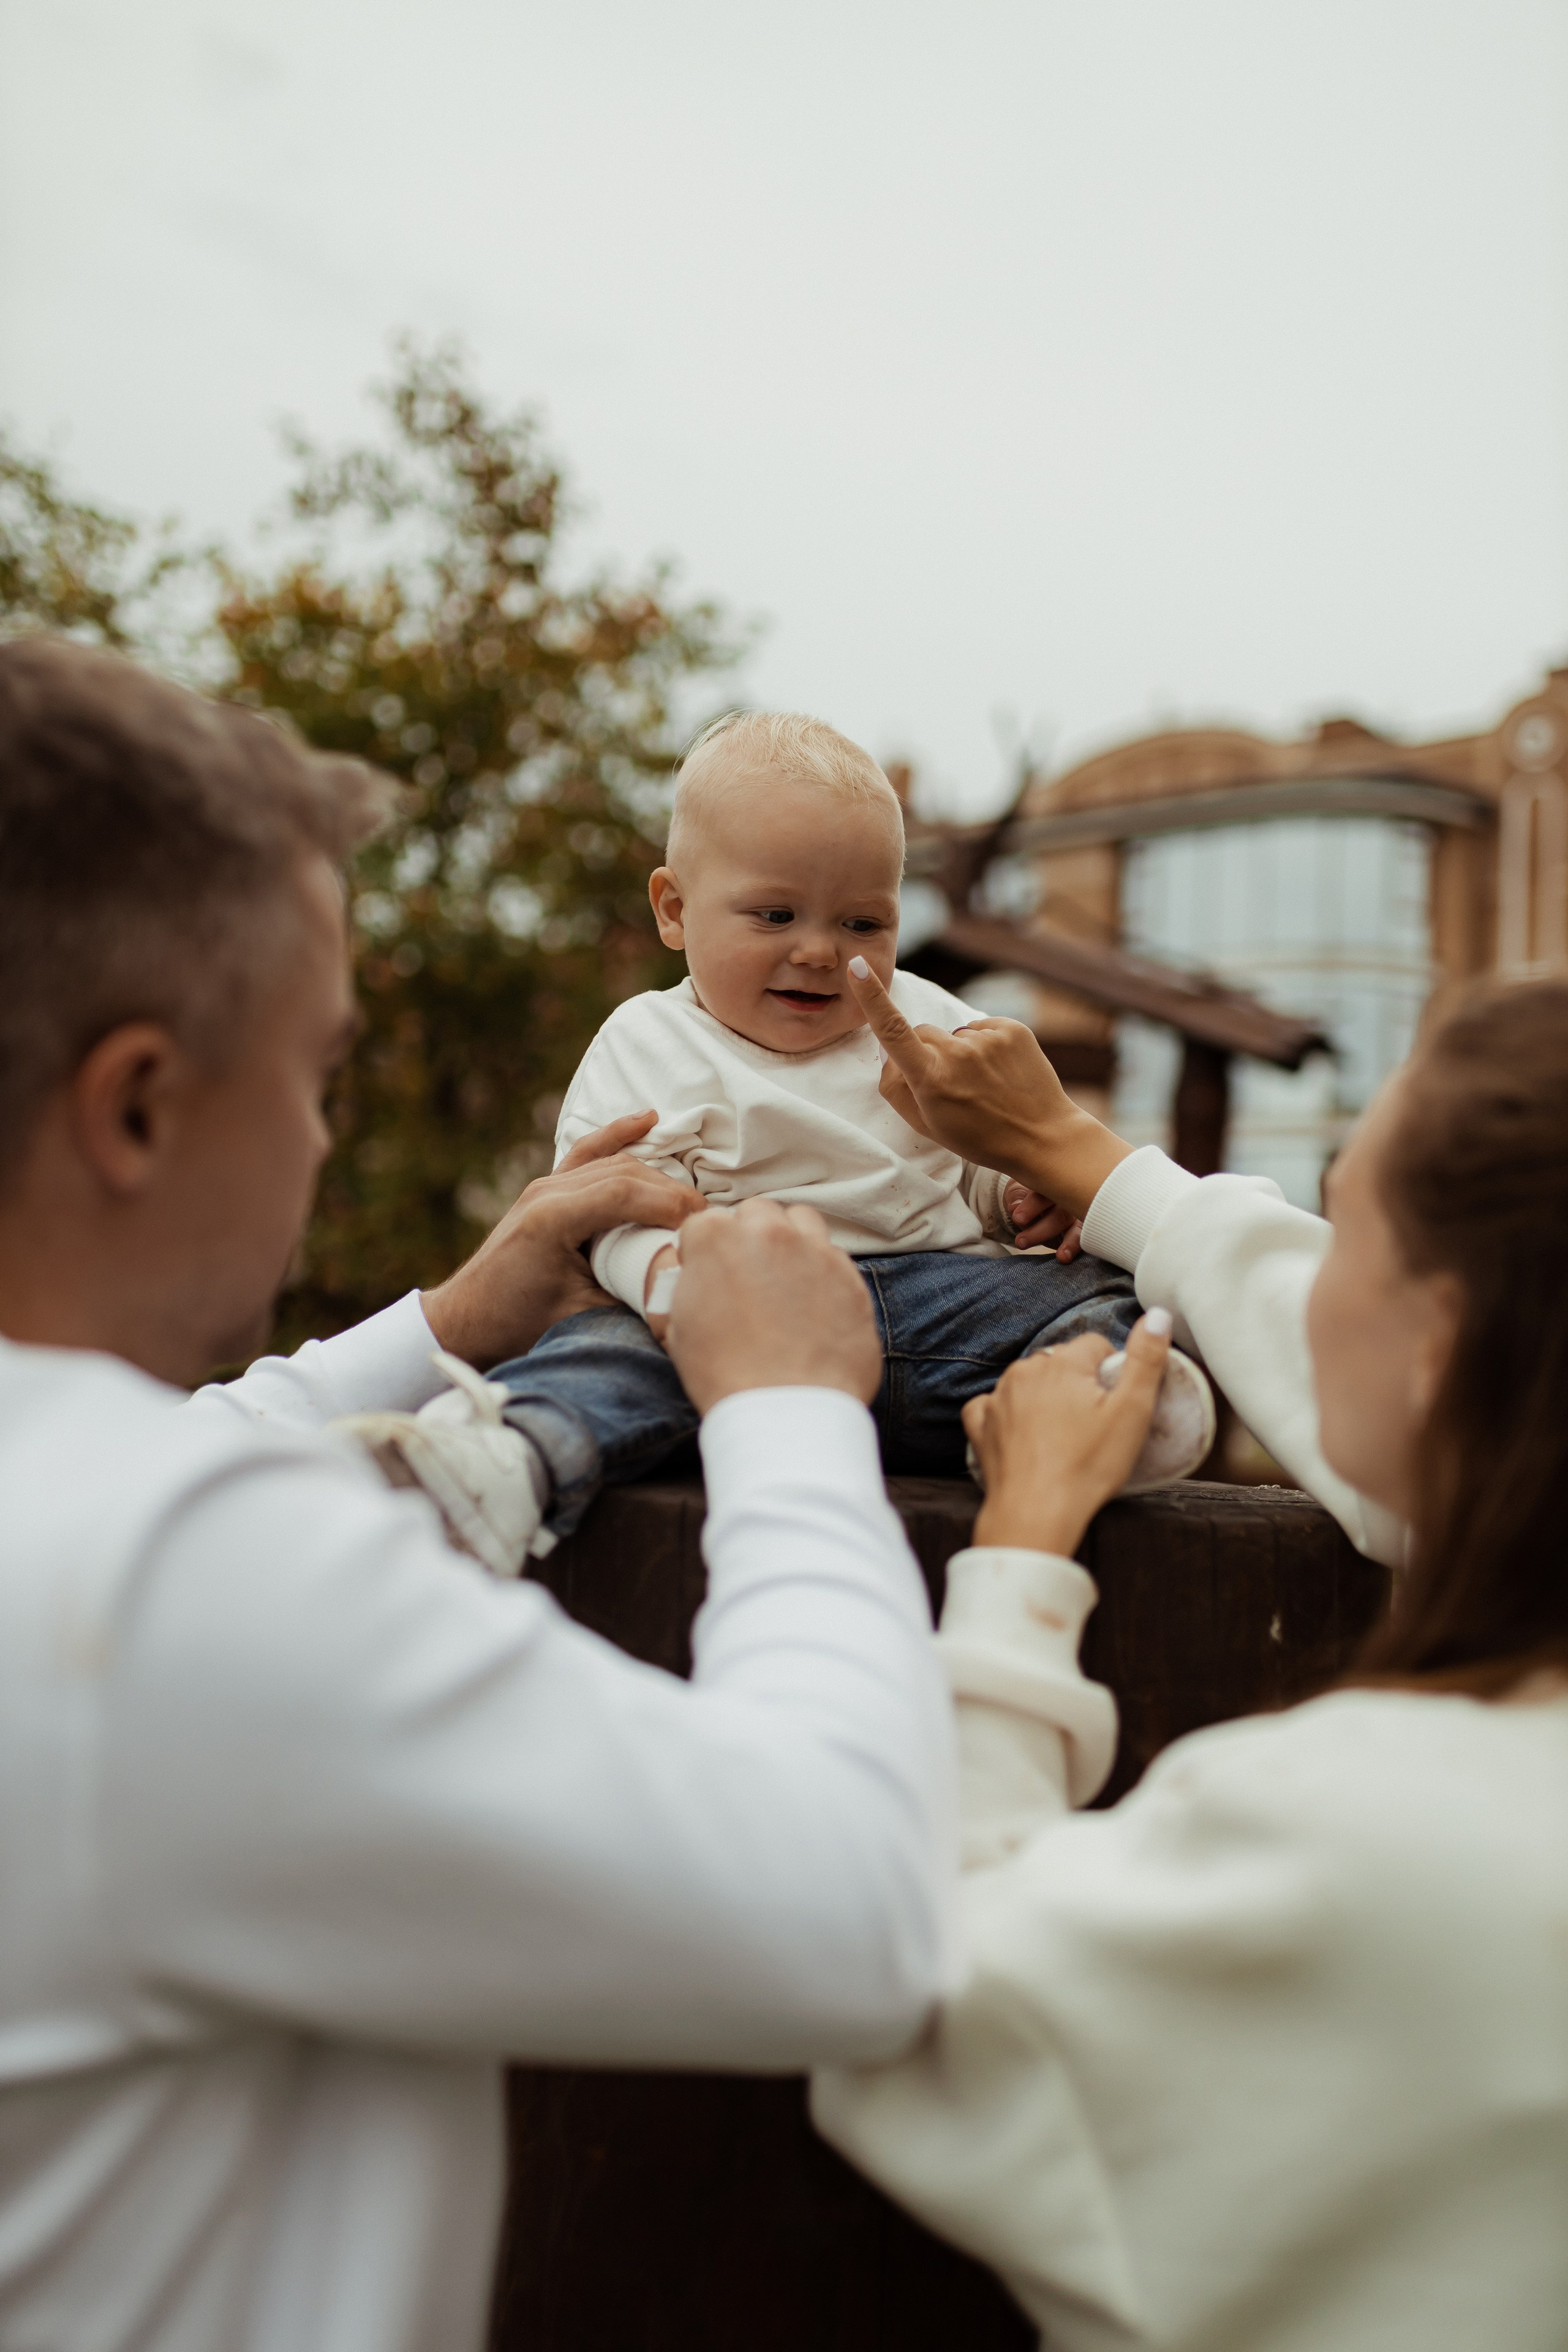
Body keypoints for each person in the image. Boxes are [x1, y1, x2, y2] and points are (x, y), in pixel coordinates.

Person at [0, 638, 963, 2352]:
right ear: (139, 1106)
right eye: (315, 1075)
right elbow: (849, 1915)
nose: (317, 1141)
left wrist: (456, 1318)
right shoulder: (173, 1584)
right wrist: (793, 1410)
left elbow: (222, 1434)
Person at [809, 963, 1568, 2351]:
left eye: (1338, 1226)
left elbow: (927, 2001)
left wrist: (1022, 1555)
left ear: (1434, 1349)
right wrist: (1078, 1159)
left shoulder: (1345, 1838)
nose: (1310, 1269)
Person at [342, 711, 1212, 1568]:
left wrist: (1019, 1195)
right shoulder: (649, 1040)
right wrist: (663, 1282)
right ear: (674, 911)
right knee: (599, 1346)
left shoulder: (929, 1021)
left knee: (1099, 1285)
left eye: (862, 924)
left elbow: (981, 1154)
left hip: (939, 1305)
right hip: (729, 1315)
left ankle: (1073, 1408)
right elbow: (614, 1203)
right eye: (774, 915)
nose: (821, 951)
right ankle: (510, 1457)